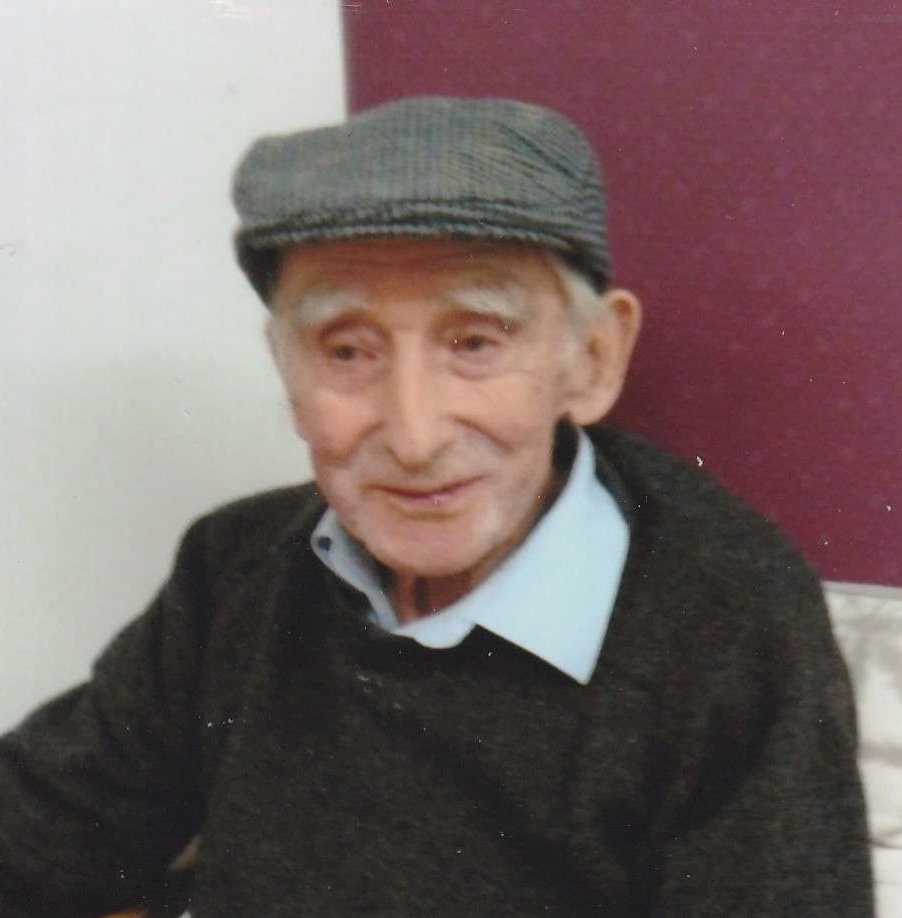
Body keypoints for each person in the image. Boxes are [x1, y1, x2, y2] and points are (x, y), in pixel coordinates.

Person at [0, 97, 873, 917]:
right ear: (286, 368)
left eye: (474, 342)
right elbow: (40, 834)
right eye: (347, 351)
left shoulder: (730, 621)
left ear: (592, 359)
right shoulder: (236, 565)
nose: (414, 437)